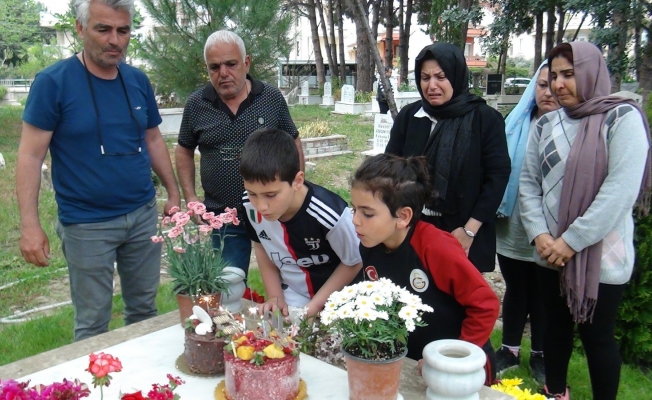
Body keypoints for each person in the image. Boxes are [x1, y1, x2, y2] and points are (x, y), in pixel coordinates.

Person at [16, 0, 180, 341]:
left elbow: (152, 138)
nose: (115, 40)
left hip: (142, 216)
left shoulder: (137, 81)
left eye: (123, 30)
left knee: (144, 313)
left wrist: (174, 192)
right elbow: (30, 156)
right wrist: (30, 226)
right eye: (103, 29)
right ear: (80, 28)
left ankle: (144, 392)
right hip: (86, 224)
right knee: (92, 323)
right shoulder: (53, 83)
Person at [519, 41, 651, 400]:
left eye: (569, 74)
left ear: (592, 72)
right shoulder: (546, 123)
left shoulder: (622, 119)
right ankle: (554, 393)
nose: (559, 84)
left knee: (597, 337)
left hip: (602, 256)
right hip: (548, 252)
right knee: (555, 330)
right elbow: (529, 183)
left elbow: (620, 191)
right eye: (554, 76)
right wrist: (539, 234)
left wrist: (570, 241)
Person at [350, 153, 500, 384]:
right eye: (354, 210)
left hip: (456, 369)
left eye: (367, 213)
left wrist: (455, 357)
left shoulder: (436, 248)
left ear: (403, 216)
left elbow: (485, 304)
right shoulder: (370, 244)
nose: (356, 221)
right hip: (410, 363)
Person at [176, 30, 304, 276]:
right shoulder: (196, 104)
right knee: (228, 284)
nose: (223, 73)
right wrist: (191, 197)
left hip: (271, 212)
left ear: (246, 63)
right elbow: (184, 149)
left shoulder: (270, 98)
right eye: (214, 67)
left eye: (231, 64)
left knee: (288, 280)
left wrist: (296, 192)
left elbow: (293, 141)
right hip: (223, 216)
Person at [385, 42, 510, 273]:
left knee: (458, 300)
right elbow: (391, 168)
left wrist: (469, 230)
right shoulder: (410, 116)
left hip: (463, 230)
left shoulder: (485, 119)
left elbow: (497, 177)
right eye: (425, 77)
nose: (432, 85)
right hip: (413, 225)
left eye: (441, 77)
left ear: (456, 75)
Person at [240, 128, 362, 317]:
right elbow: (261, 246)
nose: (261, 206)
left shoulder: (331, 215)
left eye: (271, 195)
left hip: (341, 299)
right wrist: (275, 297)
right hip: (294, 296)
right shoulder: (249, 206)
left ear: (297, 181)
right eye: (252, 193)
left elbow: (354, 261)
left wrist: (314, 307)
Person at [494, 62, 560, 382]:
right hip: (513, 221)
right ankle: (508, 350)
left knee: (544, 291)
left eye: (555, 84)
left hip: (552, 227)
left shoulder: (571, 126)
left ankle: (540, 355)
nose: (548, 91)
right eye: (542, 84)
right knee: (517, 286)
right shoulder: (517, 124)